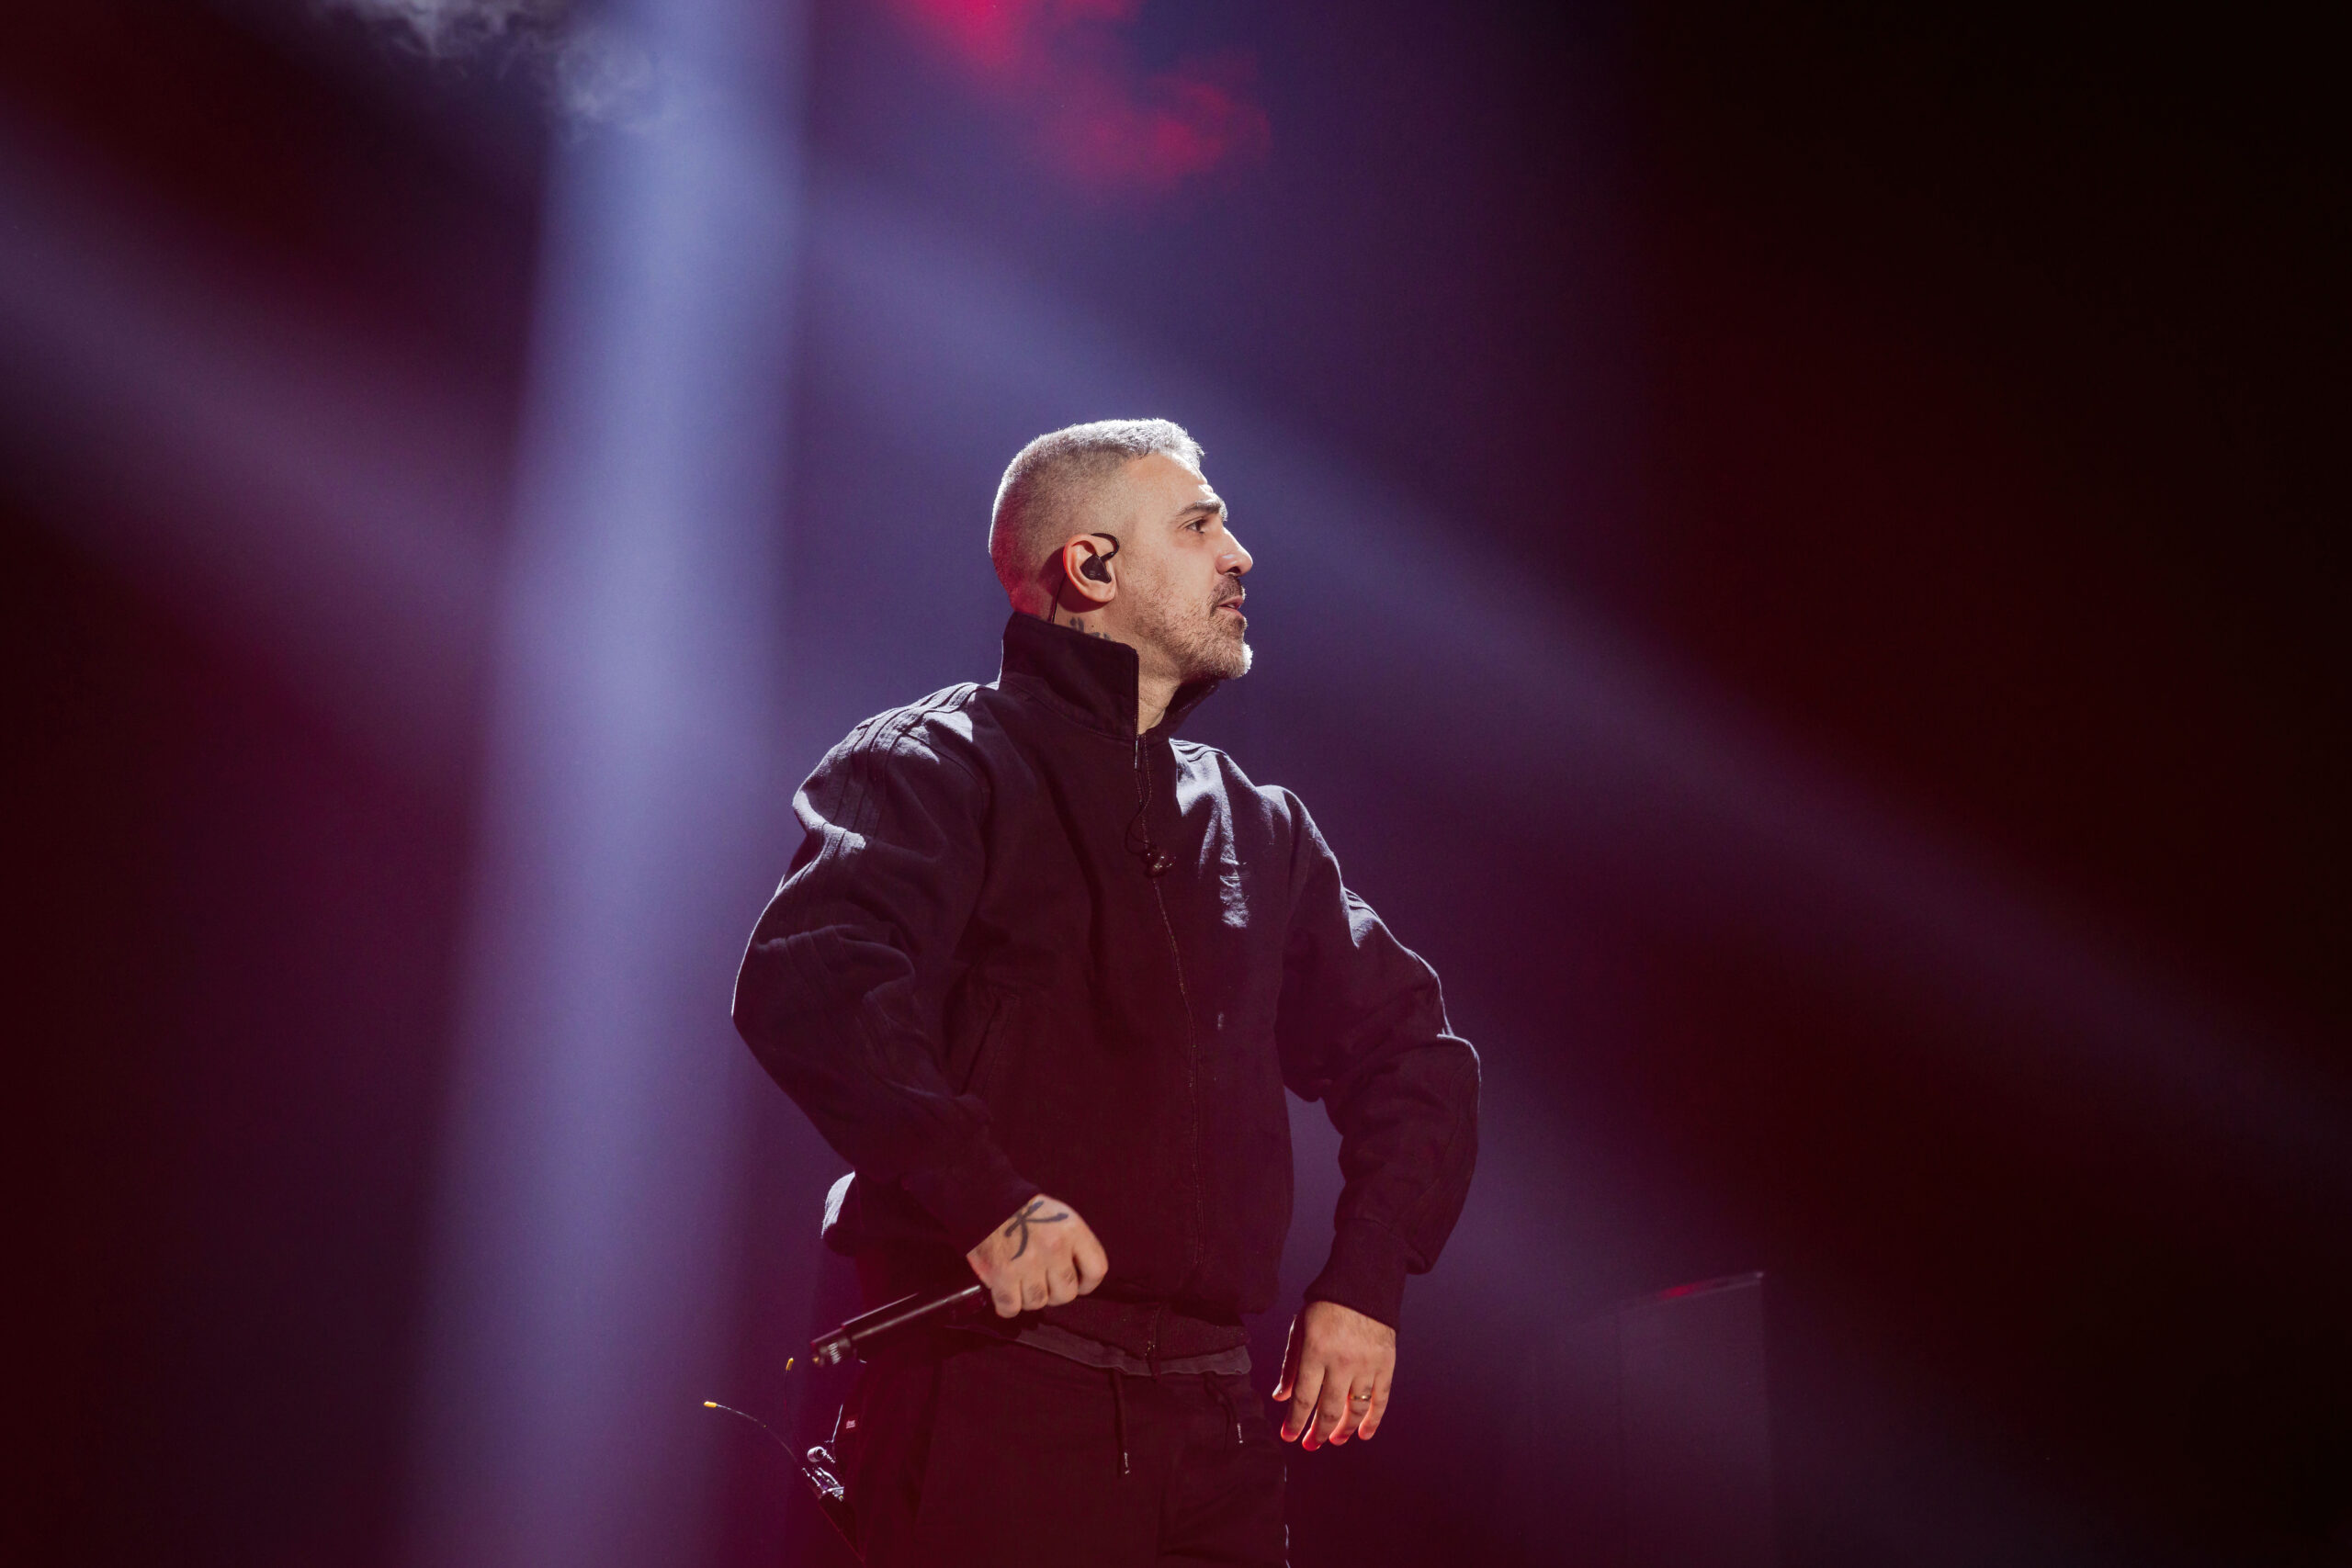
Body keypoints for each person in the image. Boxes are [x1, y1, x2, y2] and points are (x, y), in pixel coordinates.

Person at [732, 419, 1479, 1566]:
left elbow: (1413, 1058)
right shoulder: (935, 763)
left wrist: (1367, 1278)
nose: (1239, 555)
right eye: (1199, 525)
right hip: (996, 1406)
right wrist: (983, 1197)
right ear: (1091, 565)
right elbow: (813, 978)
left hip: (1215, 1436)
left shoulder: (1258, 828)